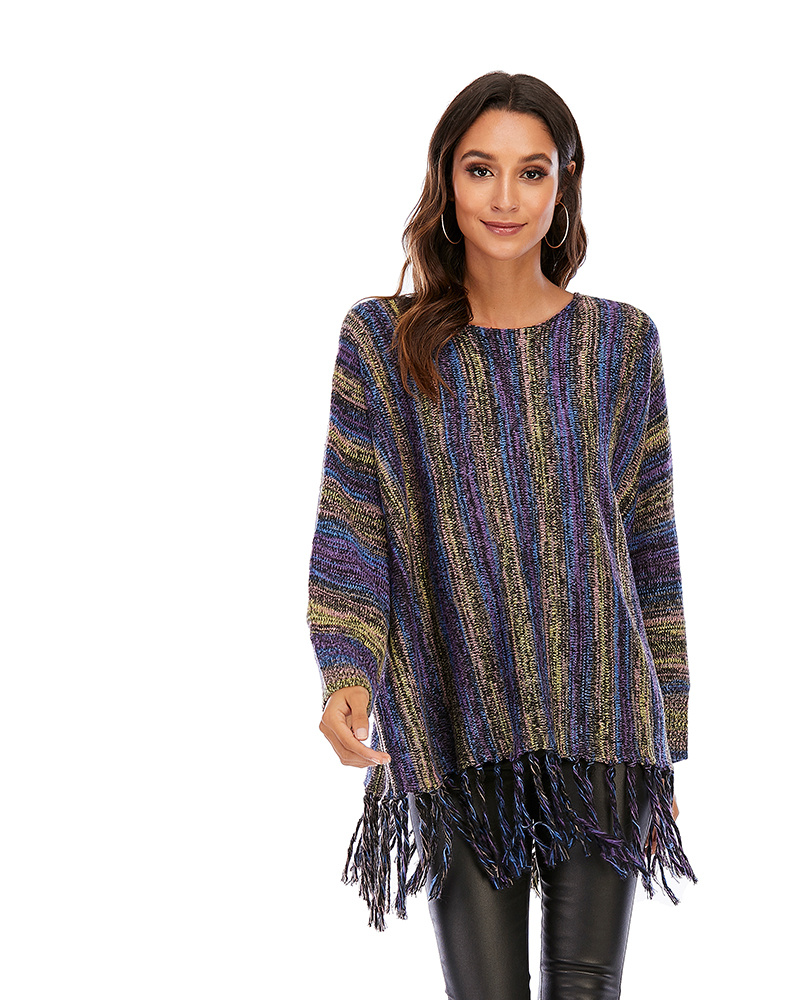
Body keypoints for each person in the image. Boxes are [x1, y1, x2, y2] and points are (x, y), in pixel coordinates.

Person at [307, 70, 697, 999]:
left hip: (603, 719)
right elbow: (353, 521)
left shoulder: (622, 343)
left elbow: (651, 552)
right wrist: (346, 672)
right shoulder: (384, 341)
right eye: (481, 169)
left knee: (585, 988)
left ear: (565, 183)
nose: (506, 198)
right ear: (446, 179)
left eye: (532, 171)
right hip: (454, 709)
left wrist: (667, 745)